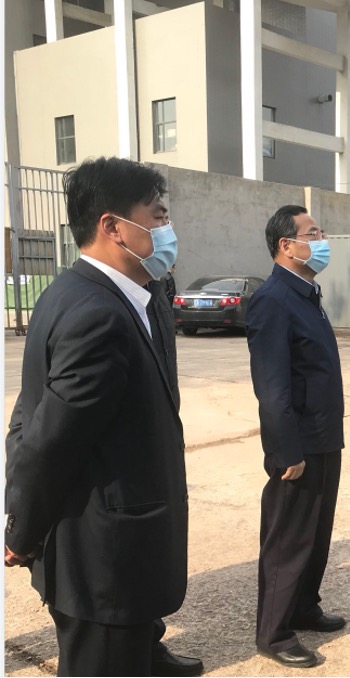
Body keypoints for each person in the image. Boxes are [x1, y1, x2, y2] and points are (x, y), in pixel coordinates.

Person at [4, 156, 202, 677]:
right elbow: (48, 437)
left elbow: (29, 410)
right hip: (103, 559)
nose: (168, 230)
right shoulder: (97, 314)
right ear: (113, 227)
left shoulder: (109, 293)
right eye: (158, 217)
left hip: (121, 544)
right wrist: (21, 529)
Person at [246, 205, 345, 669]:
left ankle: (304, 606)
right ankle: (275, 633)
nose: (321, 241)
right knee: (288, 540)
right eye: (313, 233)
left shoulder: (306, 295)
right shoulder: (274, 300)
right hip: (298, 444)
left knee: (316, 533)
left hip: (324, 436)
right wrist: (286, 451)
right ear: (287, 245)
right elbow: (272, 388)